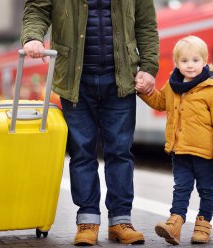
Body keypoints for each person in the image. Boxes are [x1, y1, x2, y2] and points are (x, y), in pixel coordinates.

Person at [20, 0, 159, 246]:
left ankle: (120, 221)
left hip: (120, 78)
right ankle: (87, 220)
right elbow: (37, 9)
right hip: (75, 79)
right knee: (82, 152)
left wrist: (148, 67)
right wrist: (33, 37)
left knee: (120, 152)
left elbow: (146, 24)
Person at [135, 35, 213, 245]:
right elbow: (159, 102)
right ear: (176, 63)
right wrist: (143, 91)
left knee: (206, 190)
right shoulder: (173, 86)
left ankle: (203, 226)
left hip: (206, 155)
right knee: (181, 187)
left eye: (195, 60)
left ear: (204, 61)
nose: (190, 65)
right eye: (184, 61)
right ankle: (175, 223)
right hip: (180, 151)